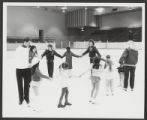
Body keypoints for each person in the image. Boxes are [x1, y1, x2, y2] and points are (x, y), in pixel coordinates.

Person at [29, 46, 49, 111]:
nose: (35, 49)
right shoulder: (31, 55)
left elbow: (40, 74)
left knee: (35, 93)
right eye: (34, 48)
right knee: (35, 94)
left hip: (35, 78)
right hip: (34, 80)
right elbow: (41, 75)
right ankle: (33, 105)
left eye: (35, 48)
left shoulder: (36, 67)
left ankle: (32, 104)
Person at [15, 38, 31, 105]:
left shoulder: (29, 49)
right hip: (19, 69)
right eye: (28, 42)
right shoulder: (18, 49)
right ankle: (21, 99)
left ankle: (26, 98)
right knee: (20, 85)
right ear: (25, 42)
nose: (29, 44)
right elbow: (20, 58)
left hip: (27, 69)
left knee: (27, 85)